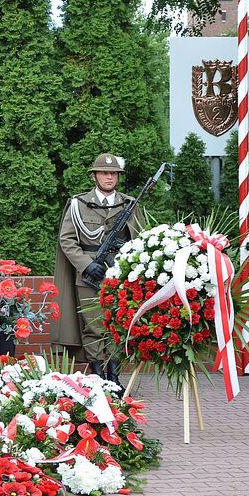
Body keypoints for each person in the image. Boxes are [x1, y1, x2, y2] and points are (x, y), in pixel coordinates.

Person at [53, 153, 144, 386]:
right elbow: (67, 240)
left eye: (113, 173)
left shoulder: (129, 204)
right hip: (88, 275)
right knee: (93, 326)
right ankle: (96, 376)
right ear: (94, 176)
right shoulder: (78, 204)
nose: (109, 177)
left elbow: (140, 240)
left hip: (118, 274)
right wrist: (86, 265)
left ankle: (113, 377)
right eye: (104, 172)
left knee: (115, 324)